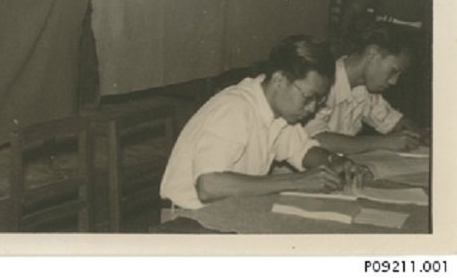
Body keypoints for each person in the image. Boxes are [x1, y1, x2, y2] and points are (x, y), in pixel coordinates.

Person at [160, 36, 369, 210]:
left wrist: (334, 161)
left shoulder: (280, 111)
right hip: (188, 219)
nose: (312, 108)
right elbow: (208, 186)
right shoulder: (235, 109)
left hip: (229, 209)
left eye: (319, 100)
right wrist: (297, 181)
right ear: (279, 80)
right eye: (308, 97)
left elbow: (303, 151)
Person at [304, 25, 425, 154]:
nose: (393, 81)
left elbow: (394, 122)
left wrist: (422, 133)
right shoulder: (322, 82)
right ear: (372, 53)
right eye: (393, 71)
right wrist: (384, 141)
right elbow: (317, 140)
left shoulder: (365, 90)